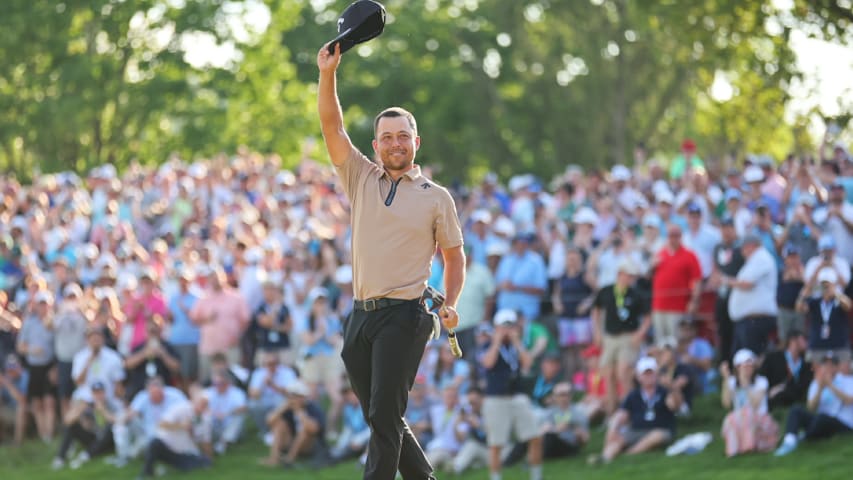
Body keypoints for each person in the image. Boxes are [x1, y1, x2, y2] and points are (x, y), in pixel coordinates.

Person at [318, 42, 465, 480]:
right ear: (376, 143)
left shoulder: (435, 197)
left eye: (403, 136)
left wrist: (451, 301)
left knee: (383, 416)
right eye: (387, 136)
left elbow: (454, 257)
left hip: (405, 315)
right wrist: (328, 73)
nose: (395, 143)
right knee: (383, 420)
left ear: (416, 142)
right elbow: (331, 127)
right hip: (360, 317)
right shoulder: (360, 176)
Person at [477, 309, 543, 480]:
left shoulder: (517, 346)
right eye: (503, 326)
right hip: (495, 398)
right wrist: (496, 342)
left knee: (534, 436)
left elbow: (528, 363)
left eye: (510, 326)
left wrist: (517, 342)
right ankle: (496, 477)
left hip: (517, 396)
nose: (507, 330)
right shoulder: (486, 345)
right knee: (496, 443)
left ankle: (536, 476)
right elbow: (488, 363)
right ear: (496, 328)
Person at [590, 356, 683, 465]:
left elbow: (674, 406)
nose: (649, 376)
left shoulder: (664, 391)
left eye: (651, 373)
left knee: (656, 436)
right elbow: (622, 415)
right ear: (639, 377)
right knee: (618, 438)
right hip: (636, 430)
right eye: (645, 373)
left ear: (656, 374)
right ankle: (604, 458)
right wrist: (613, 427)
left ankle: (630, 454)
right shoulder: (633, 395)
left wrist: (673, 388)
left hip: (660, 429)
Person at [592, 260, 651, 413]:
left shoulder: (636, 294)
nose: (631, 279)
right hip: (610, 337)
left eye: (632, 276)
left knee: (623, 372)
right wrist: (597, 331)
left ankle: (629, 411)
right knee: (608, 374)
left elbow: (647, 317)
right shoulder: (606, 291)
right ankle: (612, 413)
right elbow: (596, 311)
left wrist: (640, 333)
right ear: (620, 274)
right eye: (629, 275)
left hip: (628, 336)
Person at [774, 352, 853, 456]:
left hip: (843, 423)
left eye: (831, 365)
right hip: (821, 420)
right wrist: (820, 388)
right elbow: (811, 408)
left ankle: (805, 437)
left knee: (823, 418)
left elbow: (849, 400)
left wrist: (830, 385)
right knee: (796, 410)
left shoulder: (847, 381)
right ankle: (790, 441)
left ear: (836, 367)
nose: (827, 368)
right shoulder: (816, 383)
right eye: (825, 365)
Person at [136, 390, 213, 479]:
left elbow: (206, 442)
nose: (202, 407)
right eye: (201, 403)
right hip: (167, 447)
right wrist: (180, 425)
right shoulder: (181, 408)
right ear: (194, 401)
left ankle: (170, 468)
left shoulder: (205, 420)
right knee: (154, 443)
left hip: (184, 452)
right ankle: (146, 472)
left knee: (200, 463)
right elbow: (161, 424)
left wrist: (208, 458)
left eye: (205, 405)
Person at [724, 234, 779, 357]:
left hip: (755, 320)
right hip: (748, 321)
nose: (742, 252)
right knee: (740, 357)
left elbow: (748, 283)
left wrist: (725, 280)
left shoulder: (761, 258)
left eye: (743, 248)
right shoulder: (754, 260)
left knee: (751, 358)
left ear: (751, 246)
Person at [650, 224, 702, 348]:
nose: (673, 239)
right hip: (659, 305)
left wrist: (694, 301)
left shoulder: (689, 255)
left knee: (676, 341)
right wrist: (652, 265)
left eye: (676, 236)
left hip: (677, 306)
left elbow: (697, 281)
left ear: (680, 237)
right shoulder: (660, 253)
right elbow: (649, 277)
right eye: (671, 236)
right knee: (660, 341)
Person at [720, 349, 779, 456]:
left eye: (750, 366)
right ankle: (734, 451)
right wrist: (726, 379)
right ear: (737, 368)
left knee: (747, 413)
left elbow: (755, 404)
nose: (748, 369)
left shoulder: (762, 381)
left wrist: (745, 384)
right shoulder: (732, 382)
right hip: (740, 420)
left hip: (760, 419)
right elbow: (726, 403)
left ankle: (748, 447)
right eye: (745, 366)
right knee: (730, 419)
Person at [16, 290, 57, 441]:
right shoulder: (29, 323)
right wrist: (32, 350)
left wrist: (55, 367)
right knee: (37, 403)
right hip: (34, 367)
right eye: (41, 304)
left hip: (50, 366)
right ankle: (44, 435)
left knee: (49, 402)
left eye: (46, 304)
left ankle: (50, 436)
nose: (43, 307)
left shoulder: (55, 322)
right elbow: (20, 347)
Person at [52, 381, 120, 470]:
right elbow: (67, 421)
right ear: (92, 394)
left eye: (100, 392)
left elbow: (117, 421)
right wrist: (79, 409)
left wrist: (103, 411)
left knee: (110, 427)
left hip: (108, 440)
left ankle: (86, 455)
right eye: (96, 393)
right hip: (93, 437)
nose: (98, 395)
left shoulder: (111, 404)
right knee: (71, 426)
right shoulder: (88, 406)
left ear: (104, 393)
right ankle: (60, 458)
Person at [261, 381, 326, 467]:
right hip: (290, 442)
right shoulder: (287, 408)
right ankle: (274, 458)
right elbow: (269, 421)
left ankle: (289, 459)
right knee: (279, 424)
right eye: (291, 396)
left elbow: (313, 429)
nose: (292, 399)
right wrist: (282, 408)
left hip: (310, 446)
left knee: (305, 430)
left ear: (303, 397)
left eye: (296, 396)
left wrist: (299, 411)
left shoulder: (313, 408)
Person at [796, 268, 852, 362]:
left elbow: (848, 305)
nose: (825, 288)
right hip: (817, 347)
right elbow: (799, 308)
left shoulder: (839, 301)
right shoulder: (815, 302)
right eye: (823, 285)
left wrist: (835, 293)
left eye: (828, 285)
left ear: (834, 285)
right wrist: (806, 291)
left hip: (838, 347)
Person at [760, 330, 813, 410]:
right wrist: (768, 392)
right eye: (804, 339)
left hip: (797, 401)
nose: (807, 342)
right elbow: (762, 378)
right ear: (793, 340)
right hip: (774, 399)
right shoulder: (773, 358)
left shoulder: (806, 364)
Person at [0, 355, 28, 445]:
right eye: (9, 370)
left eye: (13, 369)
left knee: (21, 408)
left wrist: (8, 385)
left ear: (19, 368)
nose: (10, 372)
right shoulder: (6, 377)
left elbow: (22, 400)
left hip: (27, 410)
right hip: (9, 409)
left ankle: (17, 442)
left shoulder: (25, 376)